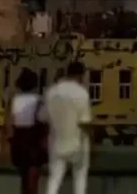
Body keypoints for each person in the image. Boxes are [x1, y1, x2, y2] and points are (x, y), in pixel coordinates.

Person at [41, 61, 92, 194]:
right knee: (80, 178)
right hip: (77, 143)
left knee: (54, 179)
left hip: (56, 141)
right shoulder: (81, 93)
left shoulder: (52, 91)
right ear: (81, 75)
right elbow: (84, 122)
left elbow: (43, 117)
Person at [0, 68, 46, 194]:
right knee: (32, 185)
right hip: (34, 147)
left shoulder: (14, 101)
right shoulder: (39, 102)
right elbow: (45, 125)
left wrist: (6, 146)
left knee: (25, 183)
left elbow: (8, 125)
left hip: (19, 146)